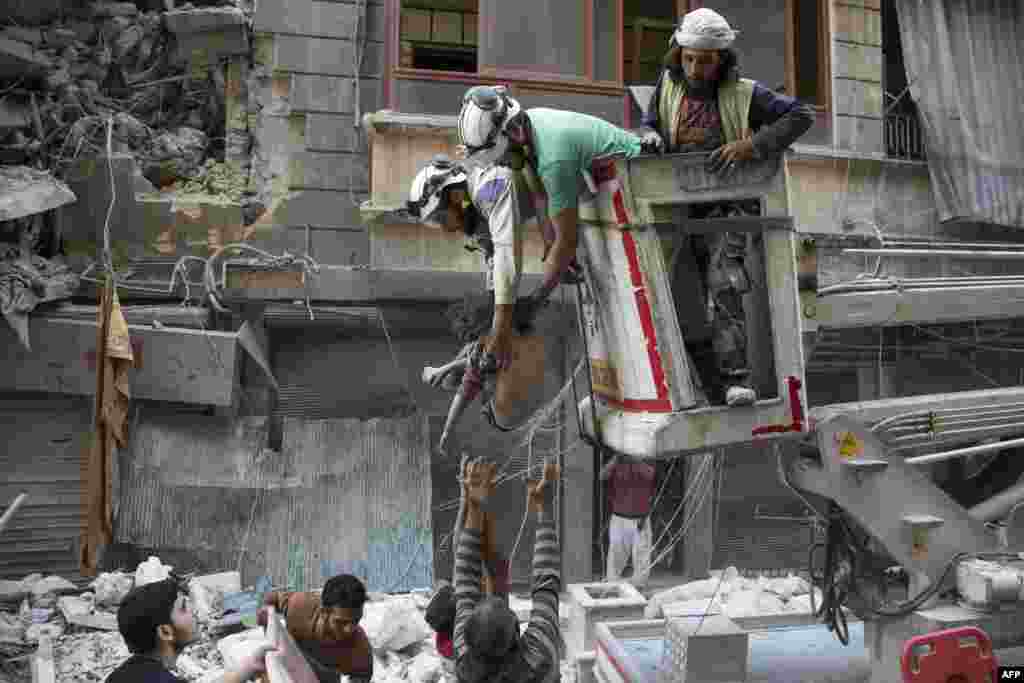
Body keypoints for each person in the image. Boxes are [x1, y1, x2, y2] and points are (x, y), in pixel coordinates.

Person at [639, 7, 816, 407]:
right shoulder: (667, 85)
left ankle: (737, 379)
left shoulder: (745, 94)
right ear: (678, 55)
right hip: (681, 211)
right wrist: (649, 135)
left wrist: (749, 146)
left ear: (721, 60)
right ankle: (702, 385)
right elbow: (648, 121)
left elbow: (802, 115)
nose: (695, 68)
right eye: (688, 59)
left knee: (723, 286)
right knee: (681, 292)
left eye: (704, 61)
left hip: (729, 209)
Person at [457, 85, 648, 320]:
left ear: (514, 132)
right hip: (614, 186)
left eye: (502, 158)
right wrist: (550, 244)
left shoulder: (553, 160)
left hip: (640, 182)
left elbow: (567, 240)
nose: (503, 165)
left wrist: (536, 300)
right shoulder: (528, 126)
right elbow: (540, 195)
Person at [454, 457, 561, 683]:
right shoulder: (538, 658)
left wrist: (474, 507)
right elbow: (546, 585)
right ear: (516, 633)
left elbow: (464, 585)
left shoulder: (466, 666)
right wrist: (545, 507)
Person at [108, 577, 274, 683]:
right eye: (184, 608)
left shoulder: (122, 675)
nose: (194, 612)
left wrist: (249, 666)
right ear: (165, 632)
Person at [257, 573, 373, 683]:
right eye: (341, 622)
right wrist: (265, 616)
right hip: (285, 666)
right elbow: (273, 599)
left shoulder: (359, 647)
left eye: (356, 621)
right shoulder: (299, 607)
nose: (349, 629)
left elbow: (362, 676)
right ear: (323, 611)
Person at [600, 453, 656, 588]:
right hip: (619, 517)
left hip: (640, 518)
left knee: (641, 558)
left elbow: (651, 474)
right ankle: (612, 587)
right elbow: (602, 475)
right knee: (615, 557)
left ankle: (639, 588)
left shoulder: (644, 456)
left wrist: (634, 458)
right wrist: (615, 459)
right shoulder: (617, 460)